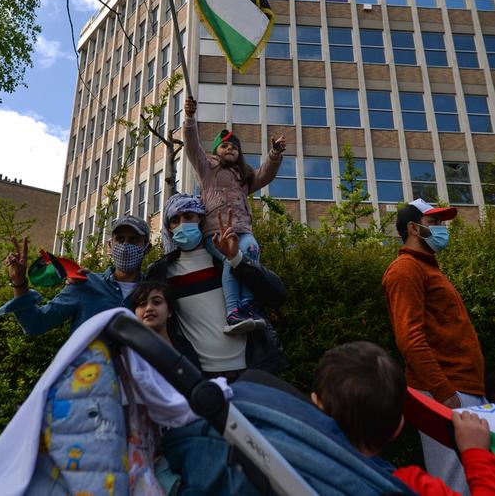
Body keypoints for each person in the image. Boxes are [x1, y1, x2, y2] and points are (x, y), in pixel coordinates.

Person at [382, 198, 486, 495]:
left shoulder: (428, 269)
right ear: (414, 228)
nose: (442, 228)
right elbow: (410, 339)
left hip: (462, 390)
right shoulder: (405, 269)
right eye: (434, 223)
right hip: (446, 392)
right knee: (455, 482)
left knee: (475, 475)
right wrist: (444, 394)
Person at [311, 341, 495, 495]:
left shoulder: (297, 462)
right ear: (398, 426)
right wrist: (476, 453)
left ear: (315, 402)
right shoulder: (411, 486)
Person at [147, 192, 287, 382]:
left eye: (189, 216)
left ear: (201, 219)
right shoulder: (162, 272)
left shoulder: (223, 256)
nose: (182, 224)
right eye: (175, 220)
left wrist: (236, 259)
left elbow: (276, 294)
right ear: (168, 228)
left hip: (252, 371)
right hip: (201, 378)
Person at [183, 96, 286, 333]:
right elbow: (192, 146)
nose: (230, 149)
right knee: (232, 259)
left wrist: (274, 154)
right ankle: (233, 311)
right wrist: (189, 118)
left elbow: (265, 175)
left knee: (250, 253)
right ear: (216, 150)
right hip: (216, 232)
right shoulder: (207, 169)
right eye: (225, 145)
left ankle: (248, 303)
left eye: (234, 147)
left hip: (243, 230)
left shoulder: (244, 178)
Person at [0, 216, 151, 336]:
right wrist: (19, 283)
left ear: (147, 248)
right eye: (120, 239)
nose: (125, 247)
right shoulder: (85, 284)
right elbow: (36, 324)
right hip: (87, 376)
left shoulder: (154, 294)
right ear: (110, 246)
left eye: (134, 240)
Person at [129, 279, 201, 369]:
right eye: (142, 304)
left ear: (169, 311)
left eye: (157, 302)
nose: (149, 308)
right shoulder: (128, 353)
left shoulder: (184, 347)